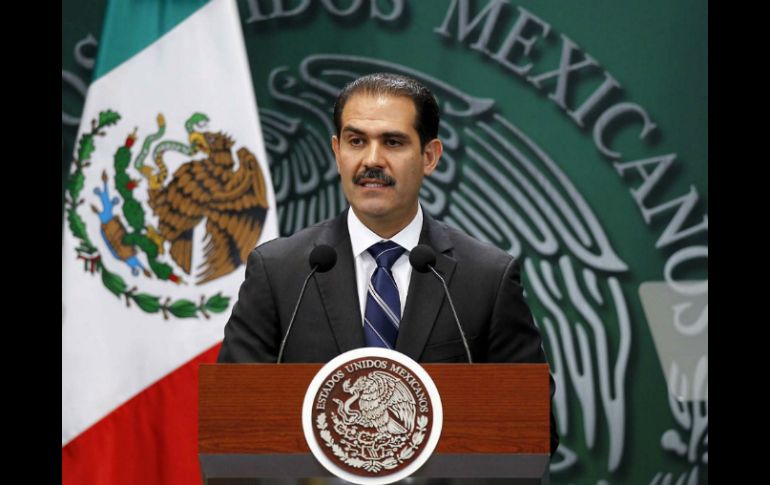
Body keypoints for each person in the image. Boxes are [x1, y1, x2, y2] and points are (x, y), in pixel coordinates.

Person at [218, 72, 558, 455]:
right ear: (337, 152)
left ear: (429, 157)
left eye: (393, 142)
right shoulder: (279, 272)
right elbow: (234, 423)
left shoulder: (486, 278)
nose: (372, 160)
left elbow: (535, 427)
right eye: (356, 141)